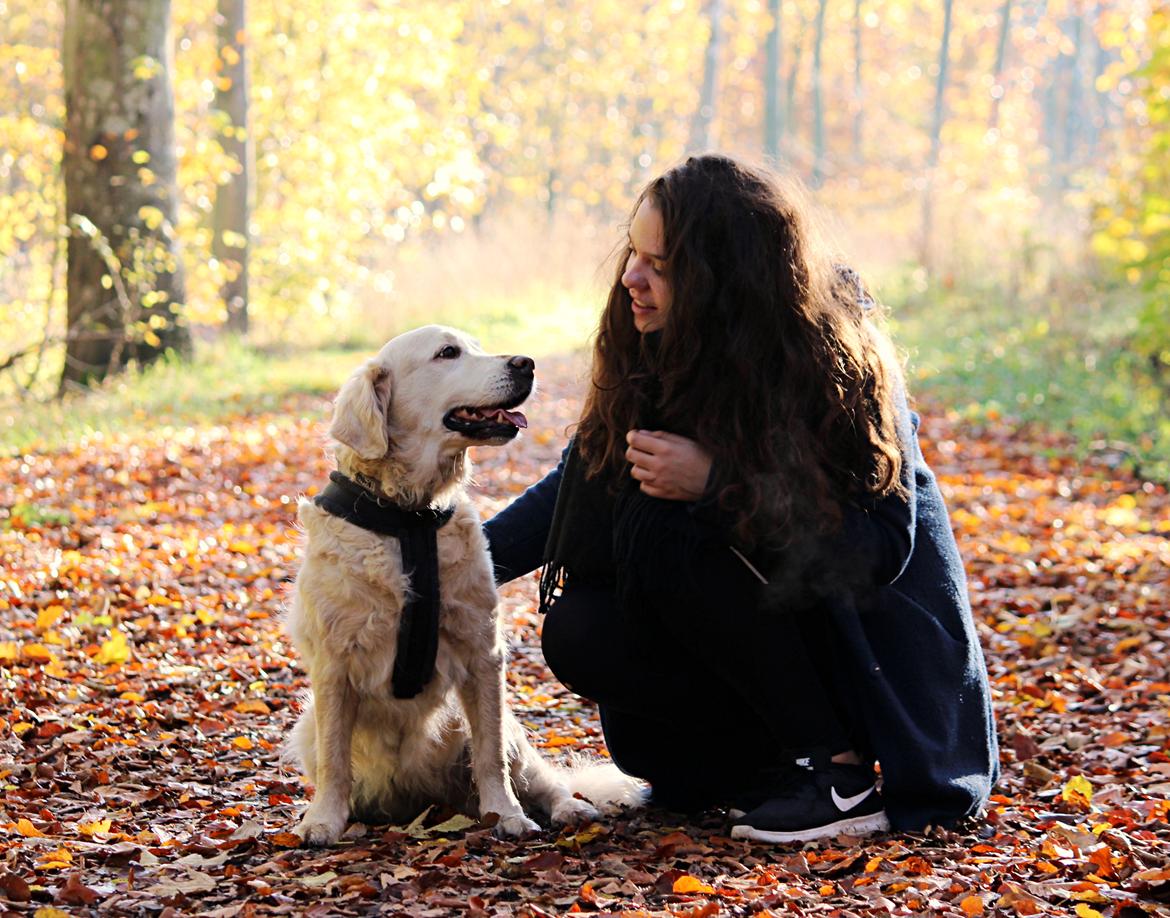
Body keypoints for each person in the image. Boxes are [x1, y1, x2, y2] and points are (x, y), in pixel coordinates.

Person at [484, 154, 998, 844]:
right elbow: (585, 483)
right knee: (581, 624)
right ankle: (769, 770)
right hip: (759, 667)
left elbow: (877, 551)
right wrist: (435, 570)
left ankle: (839, 777)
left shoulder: (835, 360)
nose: (633, 278)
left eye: (661, 266)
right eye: (634, 253)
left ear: (727, 283)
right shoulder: (666, 346)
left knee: (659, 520)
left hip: (867, 671)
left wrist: (718, 484)